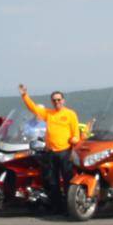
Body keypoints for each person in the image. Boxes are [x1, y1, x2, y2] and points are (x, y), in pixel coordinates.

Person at [19, 84, 81, 213]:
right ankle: (57, 207)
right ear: (51, 102)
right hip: (51, 152)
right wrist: (25, 95)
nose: (57, 102)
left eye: (59, 99)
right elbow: (33, 108)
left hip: (65, 151)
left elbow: (76, 133)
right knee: (52, 181)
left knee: (68, 180)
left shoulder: (70, 114)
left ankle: (70, 207)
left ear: (63, 100)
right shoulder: (49, 113)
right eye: (54, 100)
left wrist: (75, 141)